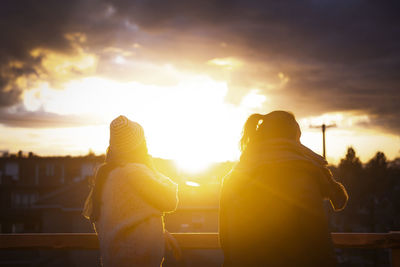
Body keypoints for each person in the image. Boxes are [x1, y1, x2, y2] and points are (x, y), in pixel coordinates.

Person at [219, 111, 348, 267]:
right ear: (293, 139)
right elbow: (318, 241)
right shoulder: (303, 177)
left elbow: (226, 242)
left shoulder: (233, 179)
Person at [83, 115, 179, 267]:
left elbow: (129, 216)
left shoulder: (106, 175)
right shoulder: (135, 172)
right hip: (137, 260)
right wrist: (151, 167)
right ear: (140, 145)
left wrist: (159, 233)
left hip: (114, 260)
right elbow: (170, 200)